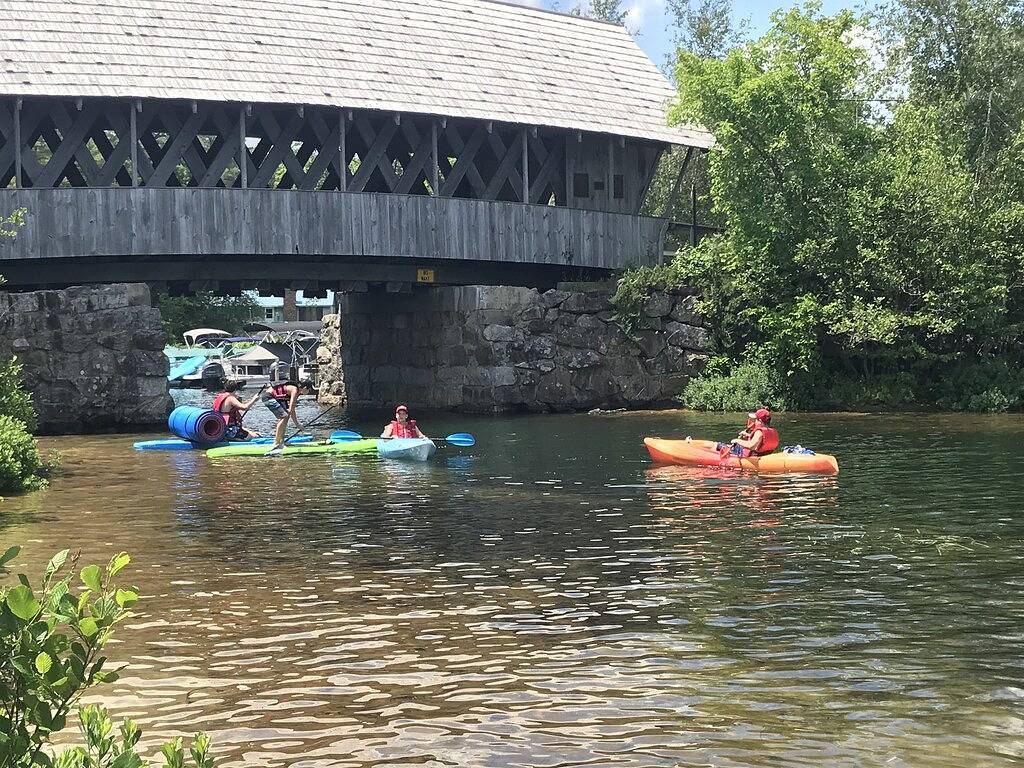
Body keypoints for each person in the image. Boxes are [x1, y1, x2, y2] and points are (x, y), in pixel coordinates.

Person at [262, 378, 317, 455]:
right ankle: (277, 444)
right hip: (268, 397)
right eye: (309, 390)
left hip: (277, 398)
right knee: (284, 417)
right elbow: (292, 409)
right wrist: (298, 425)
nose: (309, 392)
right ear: (304, 388)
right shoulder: (295, 390)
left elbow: (290, 410)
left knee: (285, 416)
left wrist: (297, 423)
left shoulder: (296, 391)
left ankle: (281, 441)